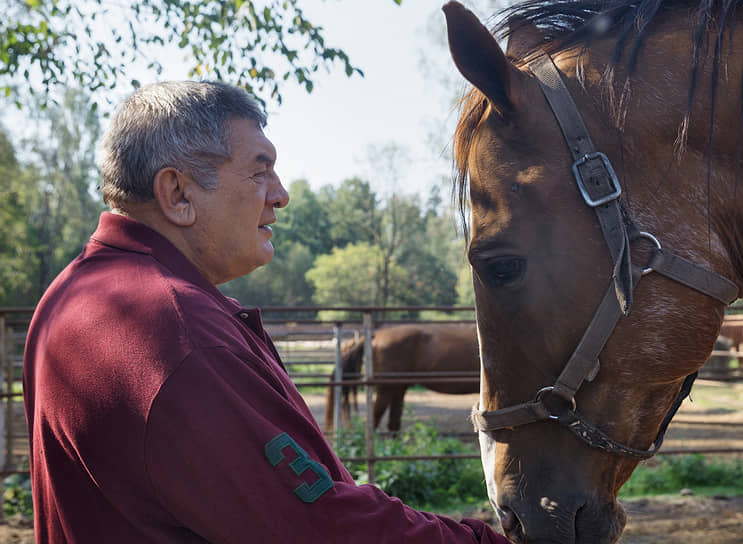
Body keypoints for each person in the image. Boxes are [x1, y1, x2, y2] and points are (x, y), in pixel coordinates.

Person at [23, 81, 510, 543]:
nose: (281, 193)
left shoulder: (70, 293)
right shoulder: (174, 331)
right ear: (177, 194)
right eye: (259, 171)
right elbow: (319, 530)